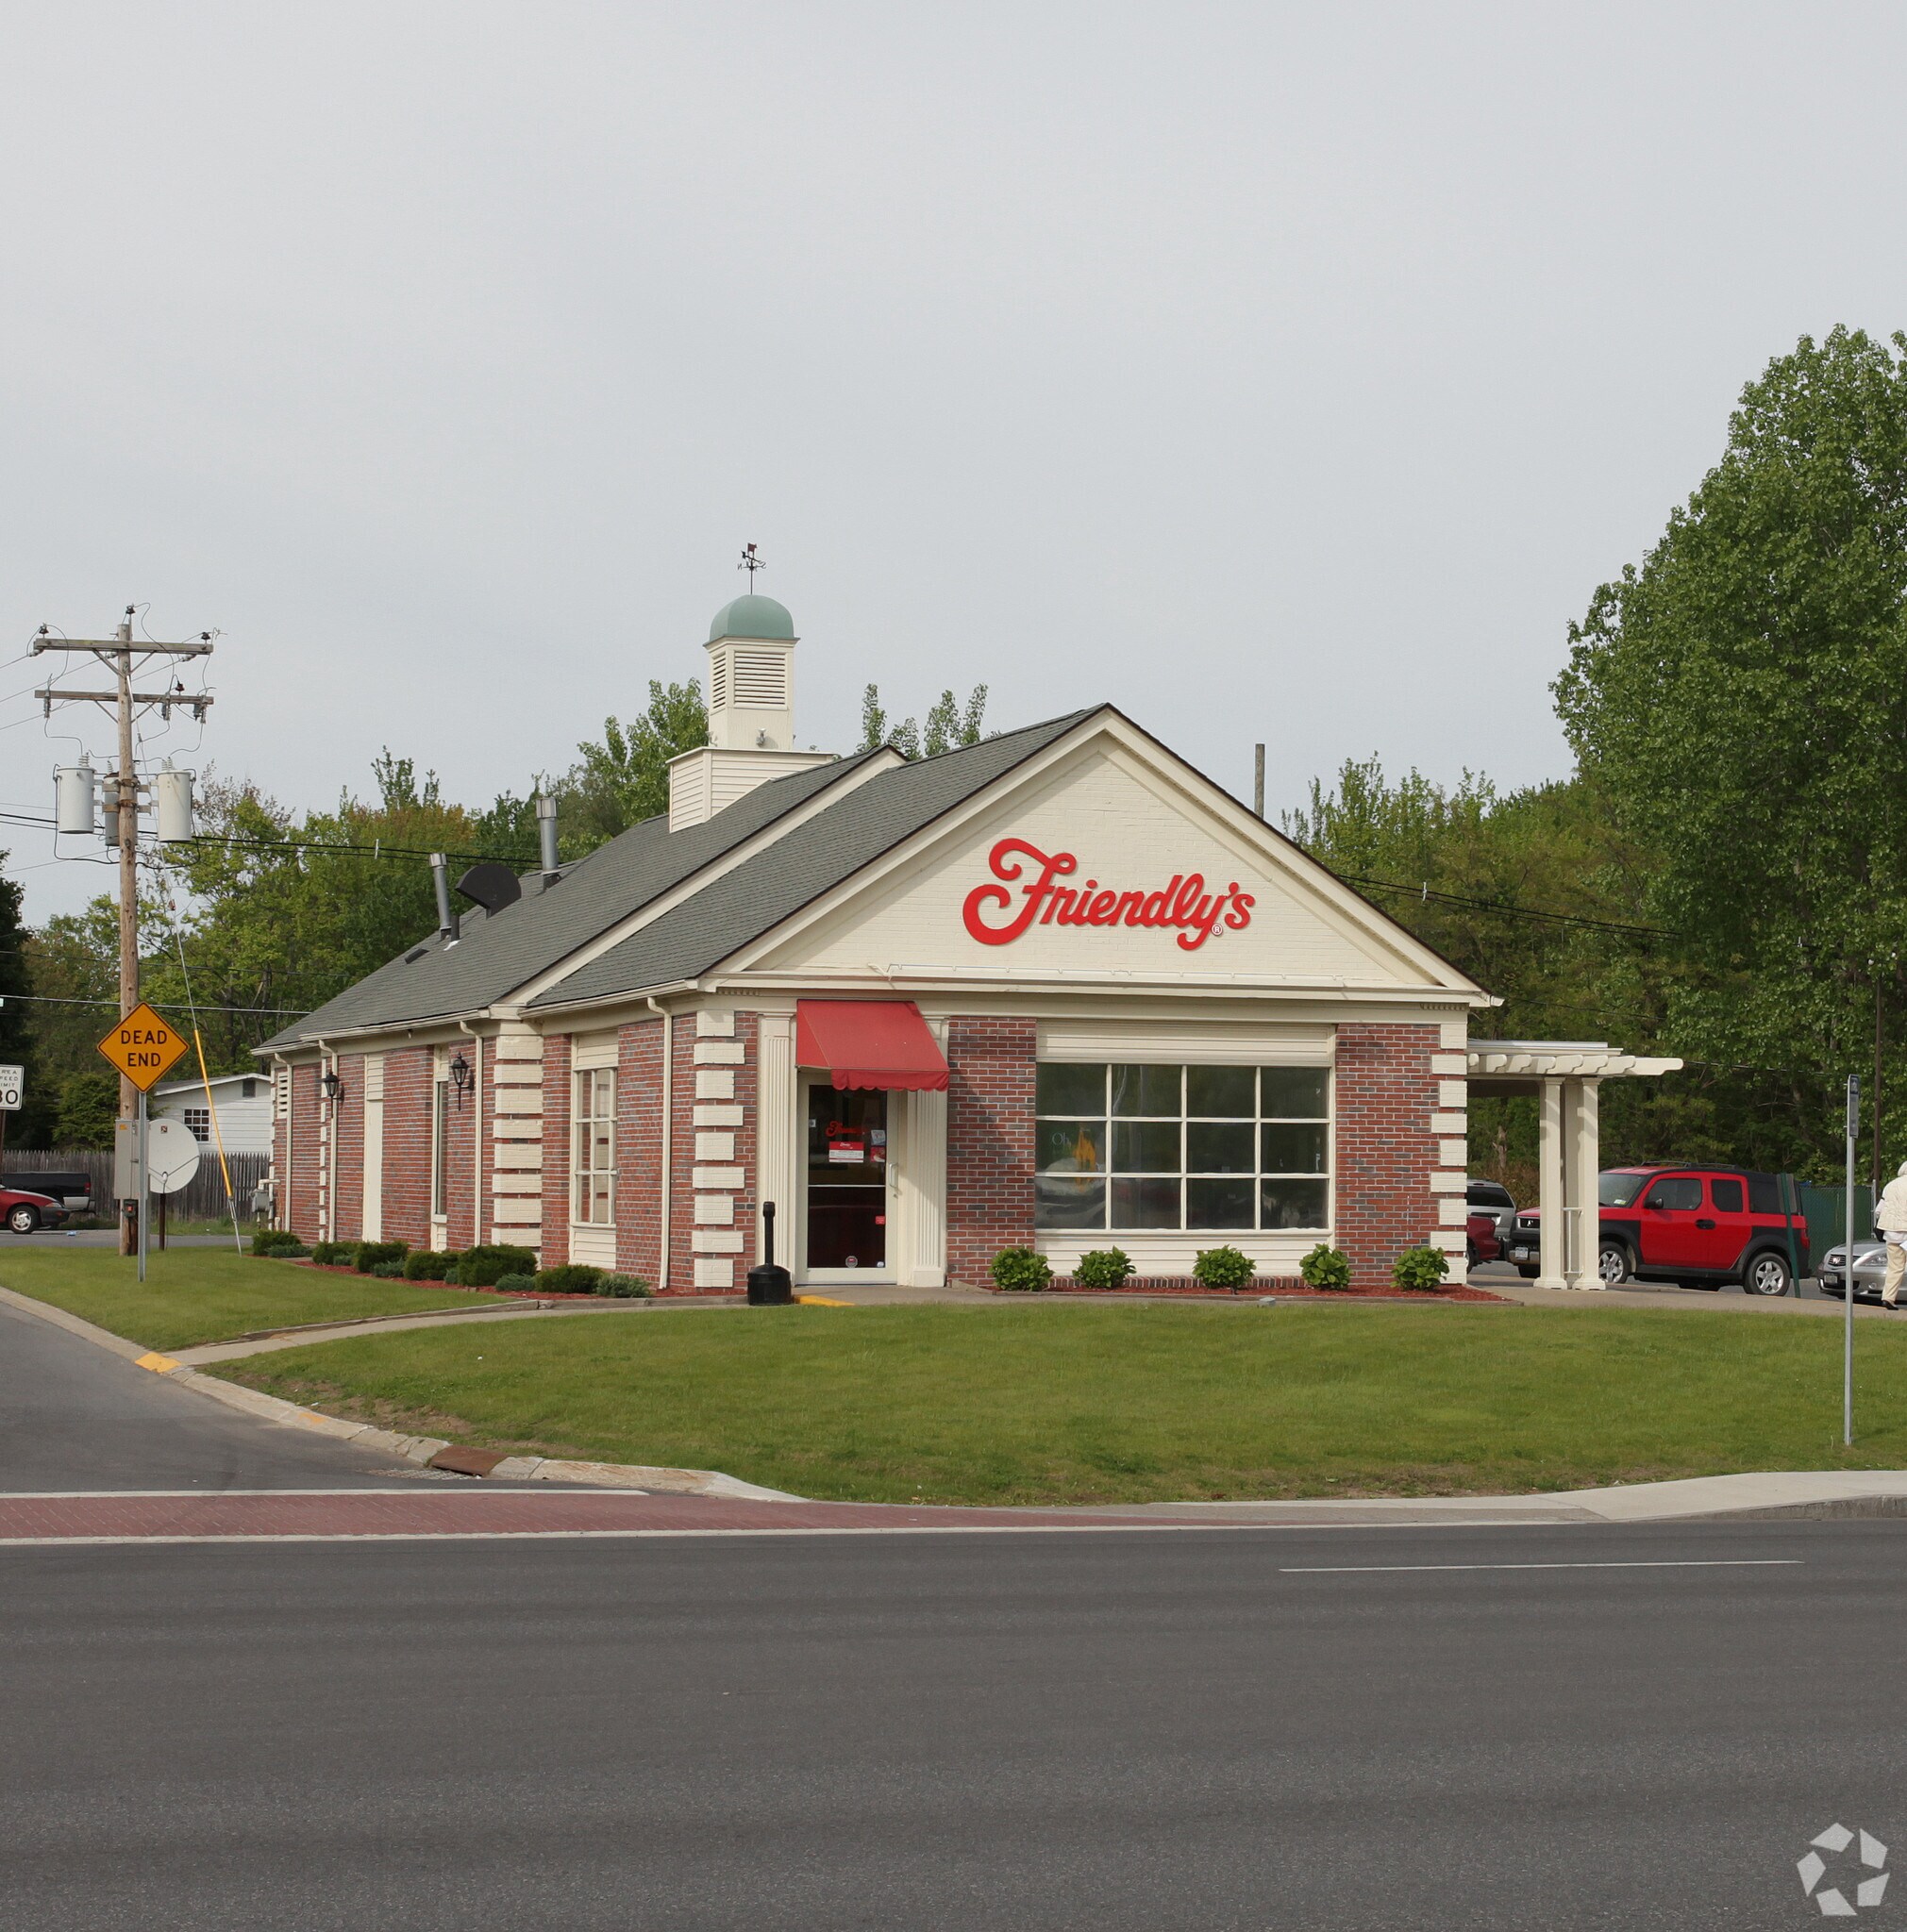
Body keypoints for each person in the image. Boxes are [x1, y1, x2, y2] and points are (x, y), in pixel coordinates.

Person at [1876, 1159, 1907, 1307]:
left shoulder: (1890, 1186)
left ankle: (1888, 1298)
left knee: (1894, 1267)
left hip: (1892, 1233)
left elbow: (1878, 1210)